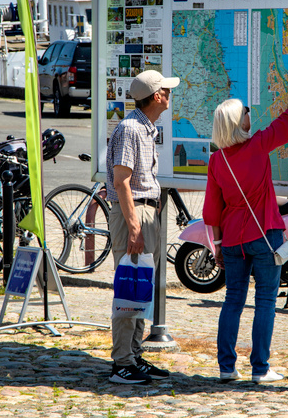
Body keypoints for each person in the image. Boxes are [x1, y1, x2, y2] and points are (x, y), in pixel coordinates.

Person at [203, 52, 288, 384]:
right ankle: (260, 369)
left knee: (233, 300)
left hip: (232, 240)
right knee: (265, 300)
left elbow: (212, 210)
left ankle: (226, 367)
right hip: (264, 234)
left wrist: (217, 245)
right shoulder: (259, 145)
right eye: (246, 111)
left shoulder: (217, 160)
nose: (250, 112)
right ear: (240, 123)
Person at [105, 69, 180, 385]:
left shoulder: (145, 127)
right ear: (157, 96)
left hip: (145, 211)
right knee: (129, 286)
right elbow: (121, 181)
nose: (170, 94)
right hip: (134, 213)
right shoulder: (131, 128)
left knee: (141, 287)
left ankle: (133, 356)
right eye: (166, 90)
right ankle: (122, 362)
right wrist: (134, 226)